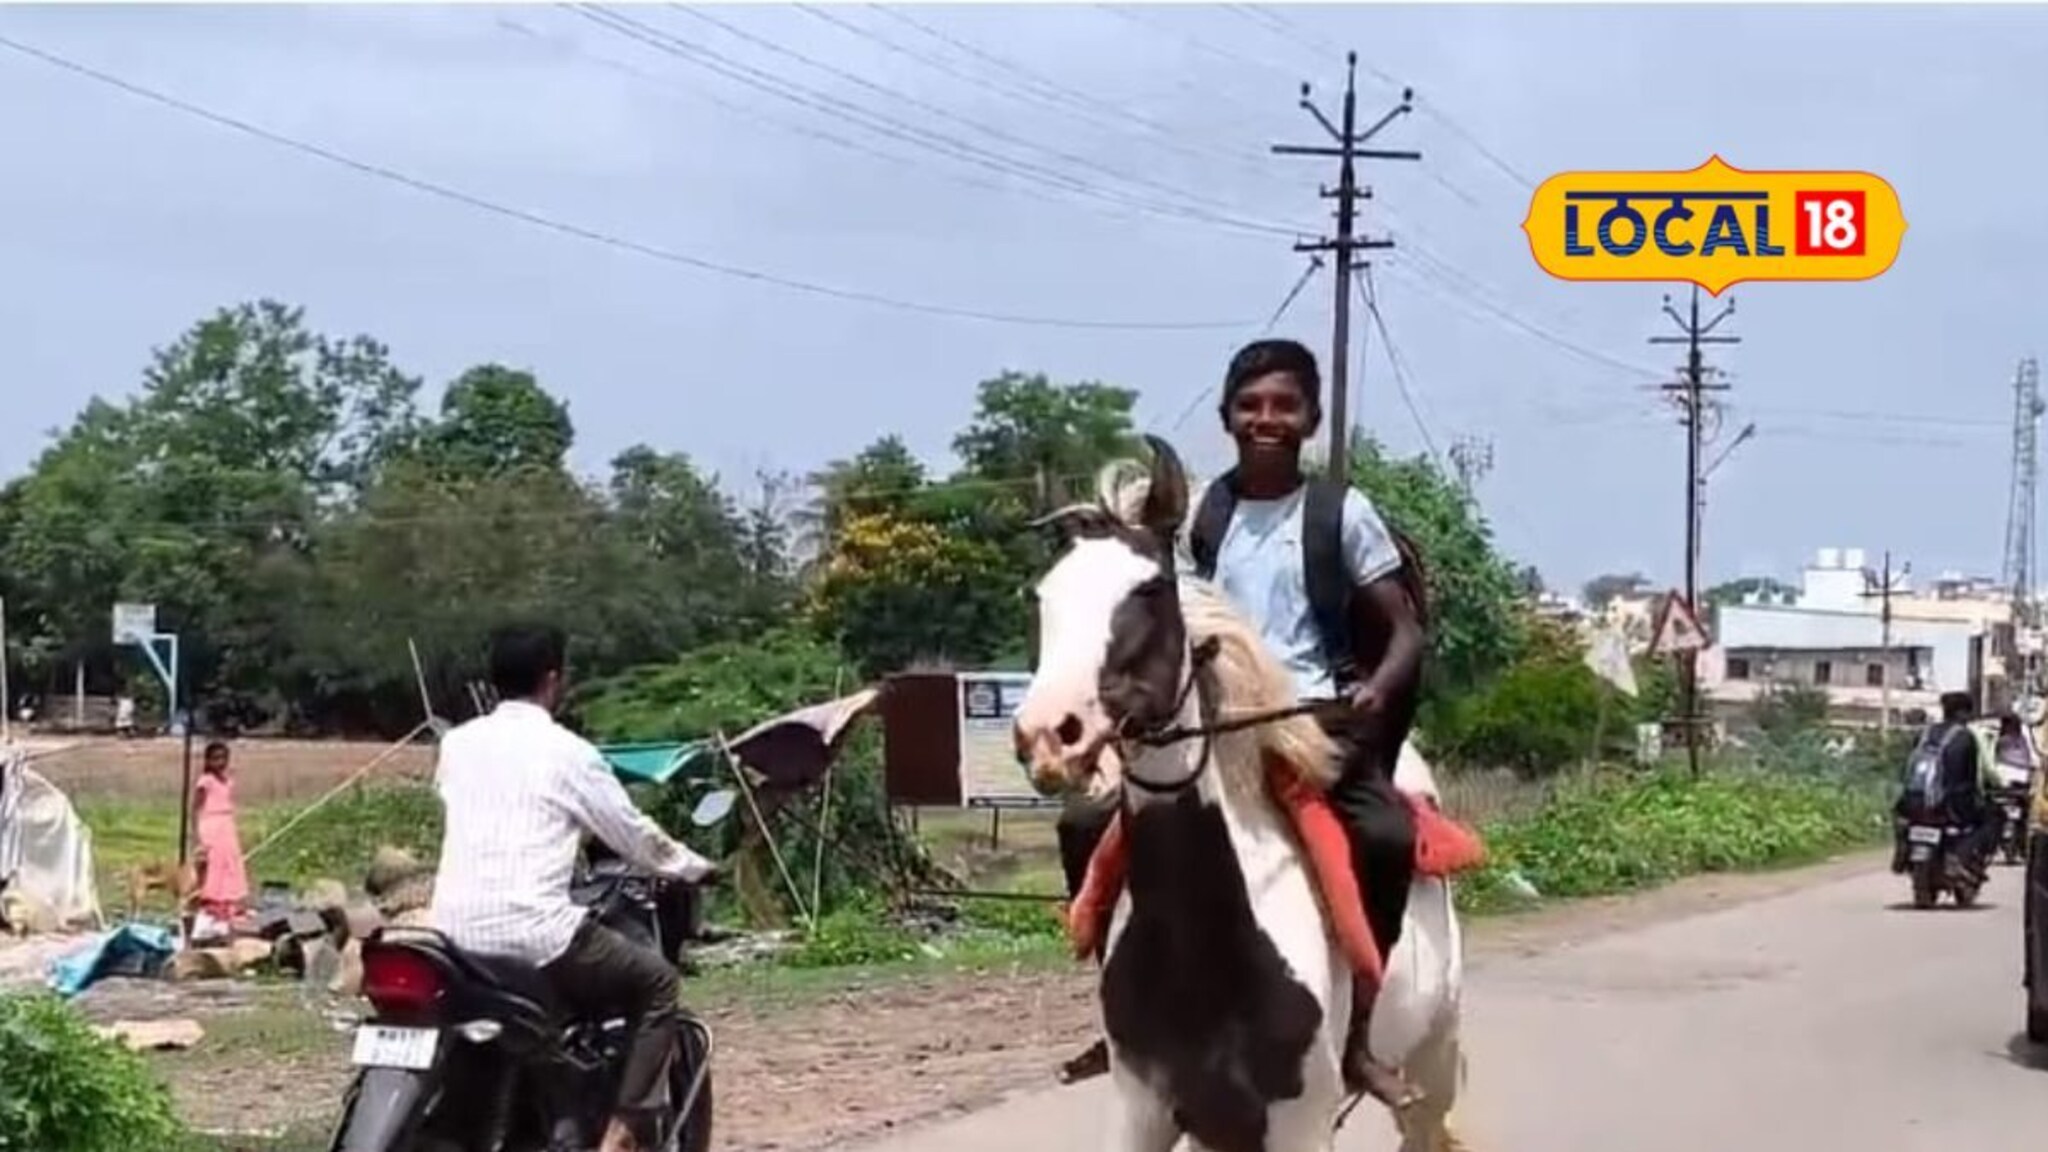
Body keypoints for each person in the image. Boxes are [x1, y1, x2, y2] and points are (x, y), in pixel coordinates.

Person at [1052, 337, 1436, 1108]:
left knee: (1388, 837)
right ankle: (1122, 1017)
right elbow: (1177, 615)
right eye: (1251, 405)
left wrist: (1376, 691)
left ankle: (1360, 1034)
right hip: (1215, 727)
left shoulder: (1343, 513)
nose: (1267, 419)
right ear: (1228, 416)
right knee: (1083, 820)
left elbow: (1404, 631)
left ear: (1312, 418)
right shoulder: (1202, 511)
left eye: (1284, 405)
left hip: (1315, 727)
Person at [429, 623, 721, 1152]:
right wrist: (693, 866)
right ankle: (623, 1132)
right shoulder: (571, 753)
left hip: (451, 937)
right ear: (553, 680)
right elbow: (634, 835)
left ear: (494, 681)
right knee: (658, 985)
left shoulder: (456, 745)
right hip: (532, 937)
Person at [1893, 690, 1997, 876]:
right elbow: (1970, 776)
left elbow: (1907, 768)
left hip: (1914, 800)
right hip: (1950, 805)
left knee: (1900, 818)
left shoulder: (1925, 733)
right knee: (1989, 819)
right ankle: (1960, 856)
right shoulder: (1965, 737)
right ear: (1962, 712)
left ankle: (1902, 849)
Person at [192, 740, 250, 926]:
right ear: (208, 760)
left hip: (226, 824)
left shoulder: (227, 781)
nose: (221, 762)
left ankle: (229, 900)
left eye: (224, 758)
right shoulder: (205, 781)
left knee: (230, 863)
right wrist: (196, 835)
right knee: (214, 864)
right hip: (211, 824)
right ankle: (212, 901)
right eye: (216, 759)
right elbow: (196, 808)